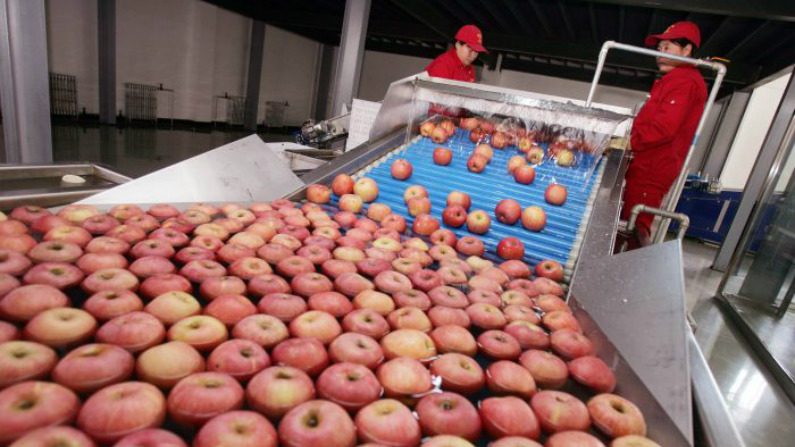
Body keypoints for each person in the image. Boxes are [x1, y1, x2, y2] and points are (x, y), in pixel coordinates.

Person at [621, 21, 707, 248]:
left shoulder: (685, 81)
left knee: (635, 225)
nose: (660, 53)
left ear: (687, 50)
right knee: (625, 222)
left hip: (653, 167)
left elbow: (663, 128)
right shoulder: (672, 80)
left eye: (667, 47)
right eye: (660, 49)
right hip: (644, 162)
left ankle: (627, 275)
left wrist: (628, 143)